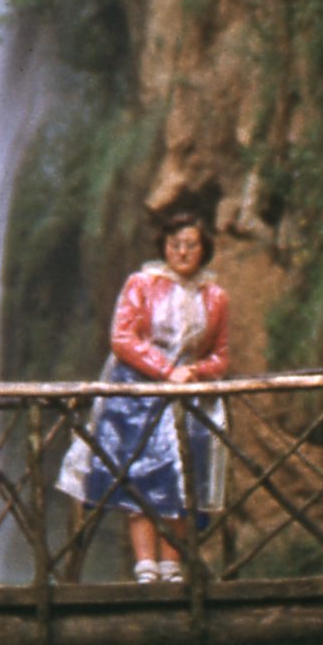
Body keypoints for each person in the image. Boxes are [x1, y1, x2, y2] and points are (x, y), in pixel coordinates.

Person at [57, 216, 231, 581]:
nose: (182, 252)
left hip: (188, 393)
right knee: (141, 475)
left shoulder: (215, 296)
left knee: (183, 476)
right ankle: (146, 564)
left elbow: (221, 354)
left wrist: (195, 371)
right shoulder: (142, 283)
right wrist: (166, 370)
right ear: (163, 247)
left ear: (204, 250)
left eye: (190, 245)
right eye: (174, 245)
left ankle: (172, 564)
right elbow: (123, 337)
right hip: (139, 391)